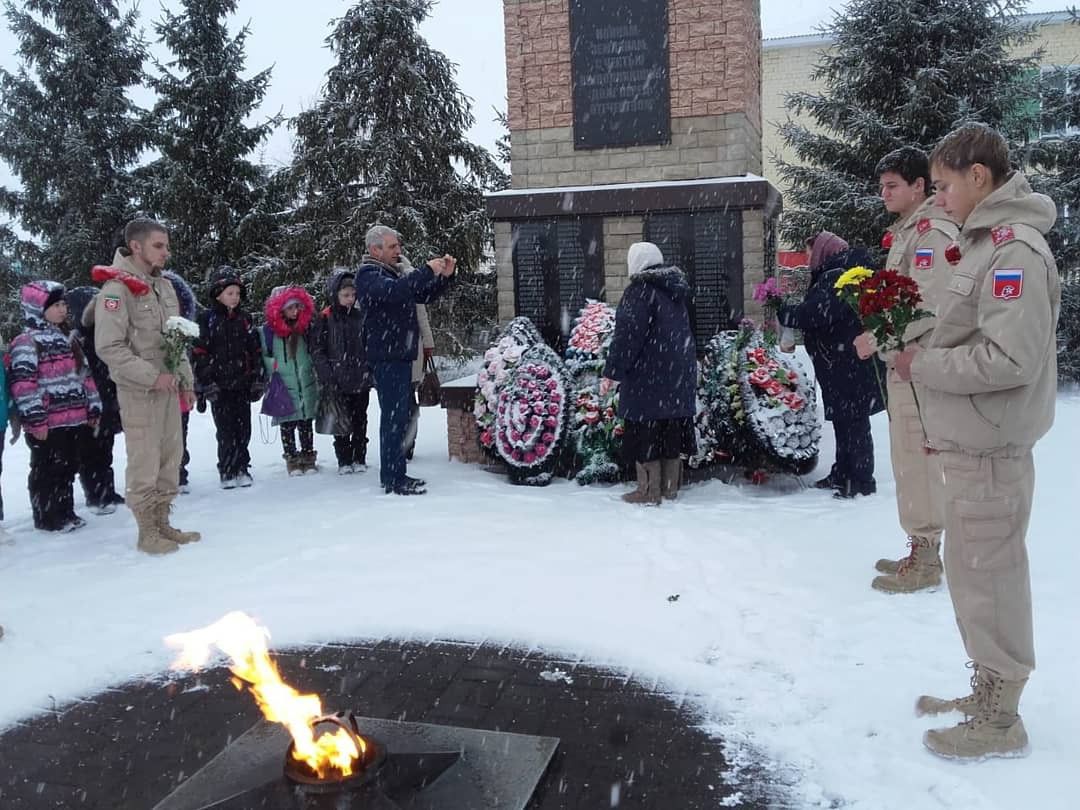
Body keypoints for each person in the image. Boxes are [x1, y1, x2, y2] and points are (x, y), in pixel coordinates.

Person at [893, 123, 1060, 759]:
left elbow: (1008, 360)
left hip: (991, 453)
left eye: (943, 185)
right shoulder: (988, 244)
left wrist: (923, 367)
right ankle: (990, 688)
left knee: (990, 581)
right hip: (975, 449)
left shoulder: (1013, 251)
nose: (938, 199)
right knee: (975, 577)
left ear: (979, 177)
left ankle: (1001, 716)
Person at [855, 147, 959, 594]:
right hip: (905, 364)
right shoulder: (907, 233)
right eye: (882, 186)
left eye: (893, 185)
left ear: (920, 186)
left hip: (918, 365)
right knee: (907, 460)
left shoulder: (931, 234)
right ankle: (919, 546)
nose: (884, 194)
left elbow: (931, 306)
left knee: (919, 461)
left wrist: (878, 338)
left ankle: (927, 557)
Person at [94, 218, 201, 554]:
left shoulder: (164, 286)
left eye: (167, 245)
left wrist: (185, 379)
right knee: (145, 459)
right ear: (136, 246)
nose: (166, 252)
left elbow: (176, 336)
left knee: (171, 456)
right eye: (159, 245)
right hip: (140, 390)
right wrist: (152, 376)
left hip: (169, 389)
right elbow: (109, 347)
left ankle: (163, 522)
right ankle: (146, 531)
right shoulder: (116, 290)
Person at [778, 232, 885, 499]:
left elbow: (820, 312)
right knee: (843, 420)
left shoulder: (839, 274)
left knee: (853, 422)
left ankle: (860, 480)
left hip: (847, 361)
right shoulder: (838, 271)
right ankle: (843, 472)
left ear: (822, 251)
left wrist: (787, 312)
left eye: (808, 252)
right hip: (840, 361)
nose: (806, 258)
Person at [354, 225, 455, 495]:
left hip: (400, 355)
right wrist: (426, 269)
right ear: (375, 250)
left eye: (398, 246)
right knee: (394, 418)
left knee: (401, 416)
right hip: (387, 358)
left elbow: (423, 295)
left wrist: (444, 277)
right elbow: (396, 292)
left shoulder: (391, 273)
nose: (398, 251)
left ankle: (396, 472)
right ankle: (393, 478)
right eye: (392, 247)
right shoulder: (368, 275)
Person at [601, 242, 697, 504]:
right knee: (669, 429)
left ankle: (648, 490)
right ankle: (669, 487)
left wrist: (613, 372)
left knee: (646, 430)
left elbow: (627, 337)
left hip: (649, 375)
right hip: (677, 374)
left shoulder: (640, 291)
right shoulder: (675, 290)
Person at [9, 281, 102, 532]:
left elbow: (86, 376)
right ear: (38, 309)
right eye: (56, 305)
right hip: (47, 422)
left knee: (68, 466)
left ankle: (65, 510)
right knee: (46, 468)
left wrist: (93, 406)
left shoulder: (67, 339)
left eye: (63, 305)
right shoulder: (26, 342)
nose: (63, 310)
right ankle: (47, 515)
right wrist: (36, 419)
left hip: (74, 418)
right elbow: (23, 385)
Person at [194, 267, 264, 488]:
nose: (234, 297)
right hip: (219, 385)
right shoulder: (207, 319)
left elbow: (255, 350)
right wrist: (206, 382)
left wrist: (256, 377)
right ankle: (227, 468)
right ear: (218, 294)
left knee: (243, 429)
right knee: (225, 430)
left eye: (237, 293)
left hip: (241, 383)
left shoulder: (245, 319)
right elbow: (200, 353)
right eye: (230, 293)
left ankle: (242, 466)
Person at [65, 286, 125, 515]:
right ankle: (96, 493)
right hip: (88, 405)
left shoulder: (106, 335)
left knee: (105, 449)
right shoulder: (77, 340)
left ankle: (106, 489)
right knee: (90, 451)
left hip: (107, 401)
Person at [311, 268, 371, 474]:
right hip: (337, 380)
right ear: (335, 294)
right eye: (345, 295)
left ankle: (360, 456)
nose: (350, 299)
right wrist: (327, 375)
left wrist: (369, 371)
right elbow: (318, 350)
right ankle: (344, 459)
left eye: (353, 295)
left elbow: (368, 344)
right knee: (340, 422)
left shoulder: (360, 316)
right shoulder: (325, 318)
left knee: (360, 420)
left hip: (360, 378)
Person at [261, 285, 320, 476]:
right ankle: (291, 457)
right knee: (287, 423)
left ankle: (308, 456)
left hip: (304, 381)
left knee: (305, 421)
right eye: (290, 308)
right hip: (283, 384)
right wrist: (273, 367)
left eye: (297, 307)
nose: (295, 311)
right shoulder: (269, 332)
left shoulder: (305, 329)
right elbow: (263, 355)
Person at [163, 270, 198, 493]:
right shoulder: (152, 329)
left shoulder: (180, 331)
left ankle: (179, 471)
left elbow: (183, 360)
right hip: (157, 390)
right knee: (160, 437)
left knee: (180, 435)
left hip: (178, 393)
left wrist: (188, 386)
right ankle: (164, 474)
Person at [399, 254, 436, 462]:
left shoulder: (410, 275)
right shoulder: (378, 277)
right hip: (395, 351)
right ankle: (401, 443)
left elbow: (422, 314)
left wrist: (428, 343)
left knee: (409, 399)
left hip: (413, 347)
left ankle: (408, 443)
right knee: (401, 401)